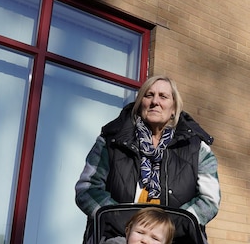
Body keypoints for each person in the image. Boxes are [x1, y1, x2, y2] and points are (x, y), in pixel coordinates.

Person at [75, 75, 220, 227]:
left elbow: (209, 201)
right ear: (139, 104)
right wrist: (125, 224)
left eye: (163, 97)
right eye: (148, 95)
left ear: (174, 109)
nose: (155, 102)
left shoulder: (197, 148)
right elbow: (87, 189)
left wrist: (167, 230)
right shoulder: (111, 141)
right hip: (115, 240)